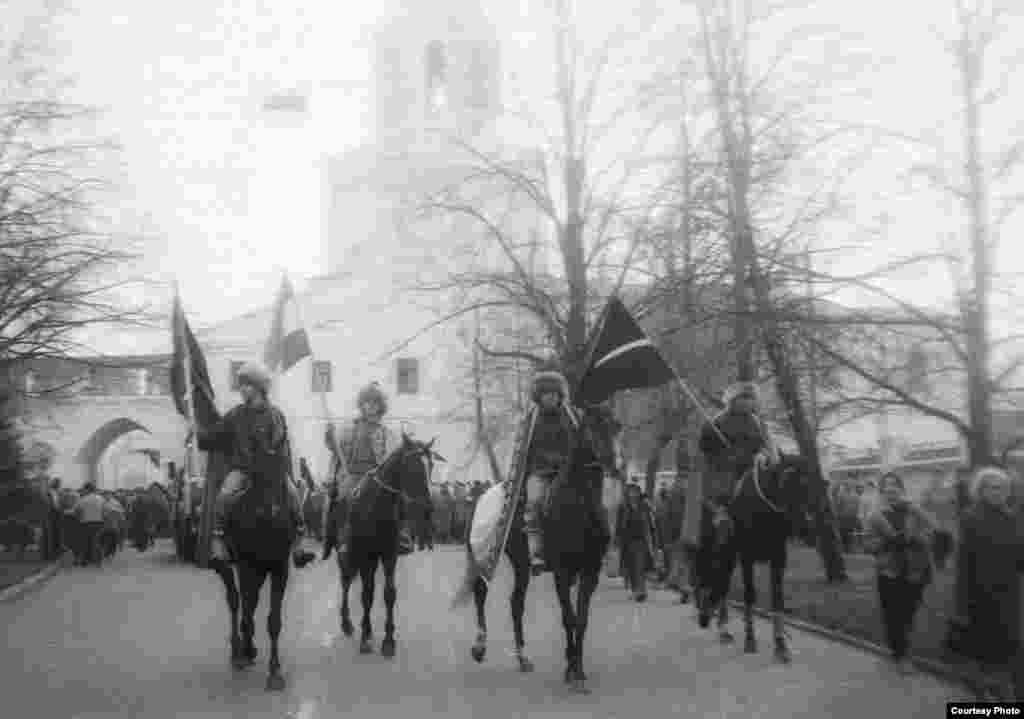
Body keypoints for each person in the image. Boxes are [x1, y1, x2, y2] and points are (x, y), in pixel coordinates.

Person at [203, 361, 315, 568]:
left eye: (247, 385)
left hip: (270, 471)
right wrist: (201, 435)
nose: (242, 389)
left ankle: (300, 543)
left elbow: (279, 439)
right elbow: (216, 435)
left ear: (259, 387)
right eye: (241, 385)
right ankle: (218, 542)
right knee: (225, 495)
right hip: (243, 470)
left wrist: (268, 455)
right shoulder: (235, 414)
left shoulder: (275, 414)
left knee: (293, 494)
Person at [322, 381, 411, 560]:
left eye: (374, 403)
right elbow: (334, 446)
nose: (370, 406)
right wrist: (329, 434)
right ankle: (337, 538)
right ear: (362, 404)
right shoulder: (349, 427)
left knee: (399, 498)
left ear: (380, 406)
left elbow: (391, 457)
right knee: (340, 497)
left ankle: (402, 535)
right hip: (352, 474)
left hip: (376, 477)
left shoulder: (385, 432)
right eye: (367, 402)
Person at [863, 472, 939, 675]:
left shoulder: (914, 510)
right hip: (890, 572)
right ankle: (901, 655)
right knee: (893, 615)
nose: (891, 489)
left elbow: (933, 531)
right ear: (882, 492)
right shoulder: (875, 516)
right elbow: (868, 544)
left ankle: (900, 648)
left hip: (915, 571)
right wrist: (887, 542)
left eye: (894, 485)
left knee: (908, 613)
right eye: (886, 486)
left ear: (901, 489)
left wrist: (919, 539)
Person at [959, 466, 1023, 698]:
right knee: (986, 646)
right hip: (981, 594)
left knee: (1007, 644)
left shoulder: (1010, 517)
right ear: (982, 490)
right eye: (995, 488)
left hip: (1009, 592)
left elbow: (1018, 556)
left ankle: (997, 687)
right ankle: (988, 689)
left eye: (1004, 488)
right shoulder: (971, 517)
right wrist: (962, 602)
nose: (1000, 492)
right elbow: (964, 563)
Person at [697, 381, 778, 541]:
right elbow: (705, 447)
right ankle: (721, 514)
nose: (748, 402)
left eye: (751, 398)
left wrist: (764, 454)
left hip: (752, 464)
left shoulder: (757, 422)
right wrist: (711, 437)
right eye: (744, 398)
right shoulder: (718, 421)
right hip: (725, 466)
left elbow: (765, 444)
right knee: (725, 483)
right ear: (733, 401)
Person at [521, 367, 577, 575]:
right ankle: (535, 554)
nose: (551, 397)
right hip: (540, 472)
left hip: (567, 472)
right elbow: (524, 450)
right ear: (539, 396)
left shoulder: (572, 418)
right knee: (534, 503)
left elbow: (578, 444)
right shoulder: (530, 420)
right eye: (546, 394)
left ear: (560, 395)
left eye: (554, 393)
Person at [617, 483, 659, 602]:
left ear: (639, 493)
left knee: (640, 566)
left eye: (635, 491)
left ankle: (641, 590)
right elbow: (619, 525)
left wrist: (654, 537)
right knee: (631, 567)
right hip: (628, 541)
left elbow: (651, 522)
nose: (633, 494)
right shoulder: (623, 507)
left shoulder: (644, 506)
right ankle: (635, 590)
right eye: (631, 492)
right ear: (628, 494)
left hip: (642, 540)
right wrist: (617, 539)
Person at [73, 482, 106, 566]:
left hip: (86, 523)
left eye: (84, 489)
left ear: (87, 489)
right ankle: (98, 560)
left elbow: (76, 510)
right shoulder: (101, 499)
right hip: (99, 522)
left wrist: (79, 518)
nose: (83, 491)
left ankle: (85, 560)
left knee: (85, 542)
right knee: (96, 541)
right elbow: (105, 511)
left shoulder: (83, 499)